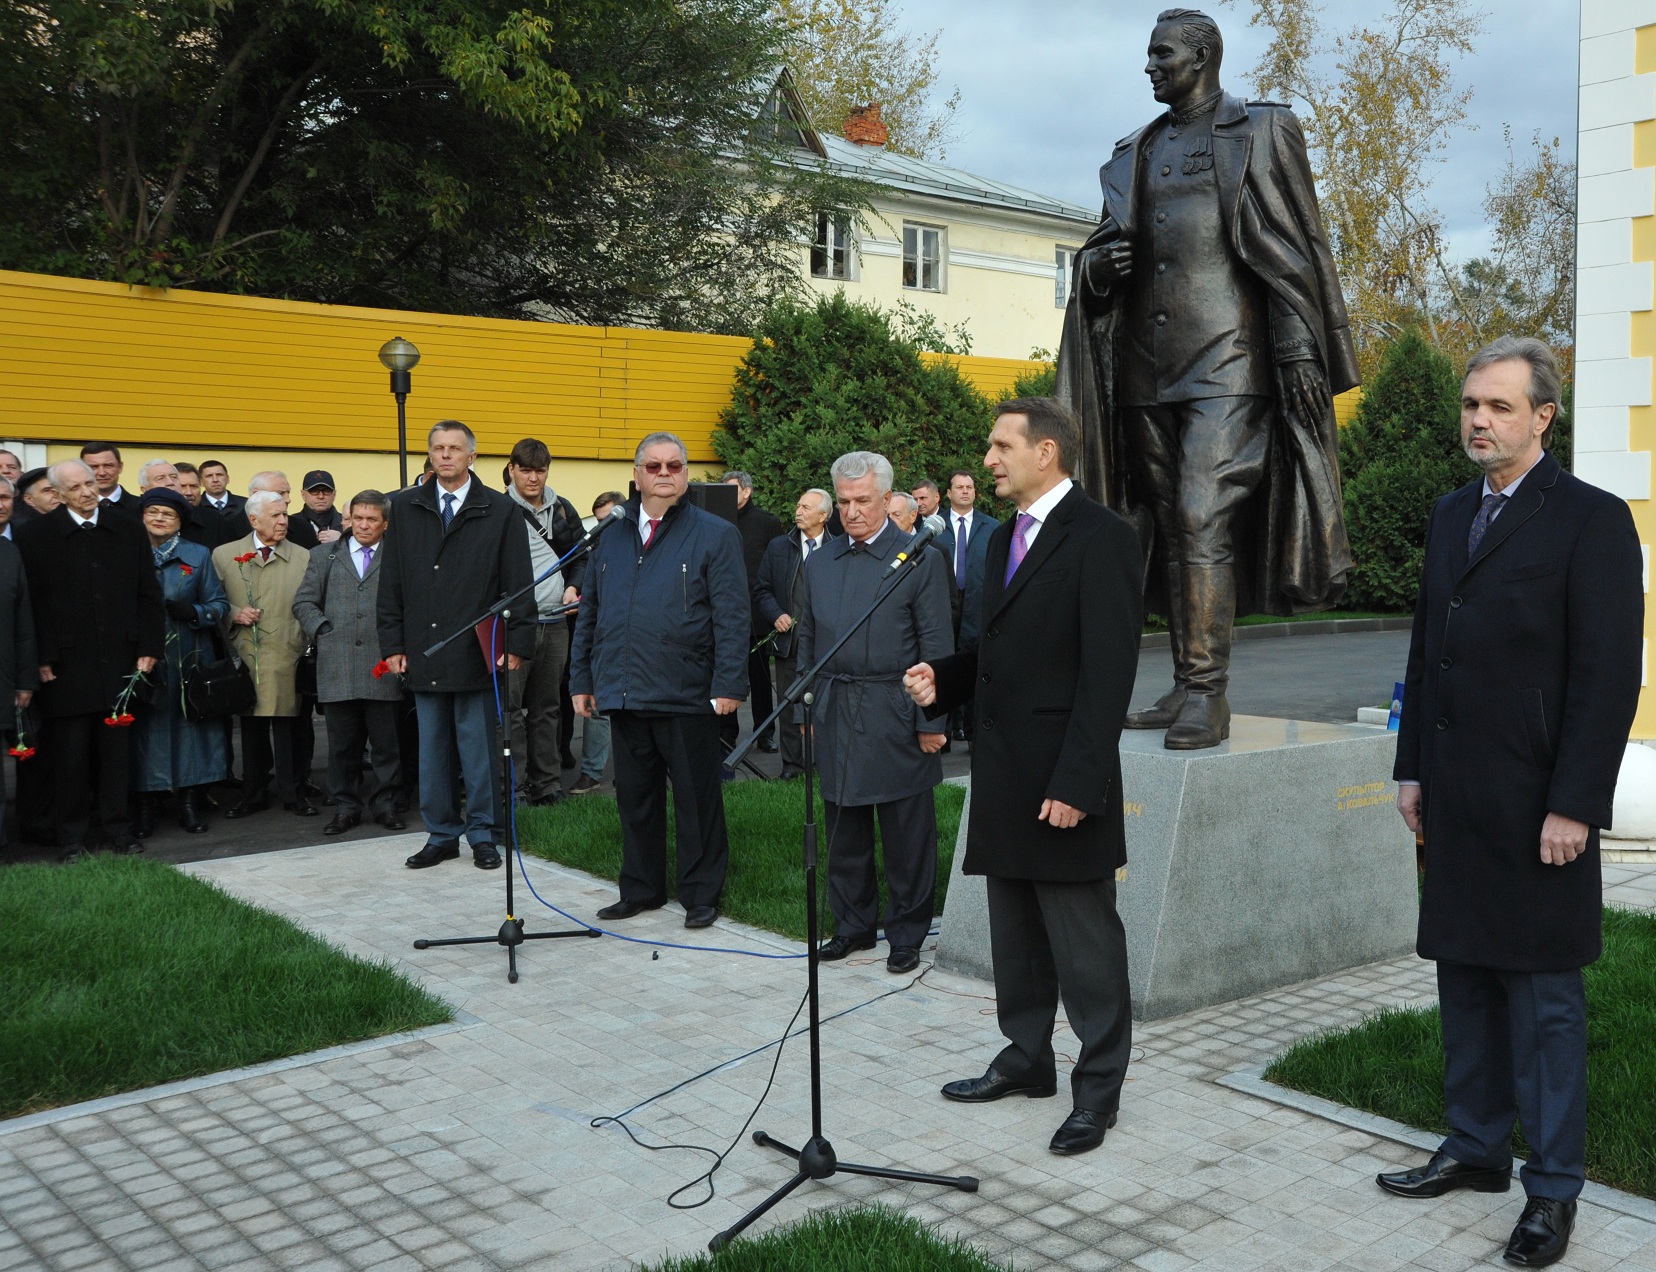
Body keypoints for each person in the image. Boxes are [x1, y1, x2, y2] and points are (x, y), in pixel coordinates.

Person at [1377, 338, 1643, 1268]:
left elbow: (1608, 679)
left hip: (1540, 810)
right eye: (1469, 404)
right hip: (1457, 800)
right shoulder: (1452, 516)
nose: (1477, 420)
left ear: (1543, 417)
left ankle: (1553, 1190)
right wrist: (1411, 769)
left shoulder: (1592, 520)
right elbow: (1425, 655)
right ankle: (1477, 1145)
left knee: (1543, 1006)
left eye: (1497, 405)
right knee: (1466, 982)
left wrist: (1575, 803)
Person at [1056, 8, 1357, 750]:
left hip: (1229, 361)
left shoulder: (1260, 128)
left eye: (1162, 54)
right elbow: (1097, 253)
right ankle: (1186, 683)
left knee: (1200, 513)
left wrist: (1296, 347)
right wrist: (1096, 269)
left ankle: (1208, 692)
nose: (1150, 67)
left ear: (1204, 55)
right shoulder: (1137, 149)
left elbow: (1297, 245)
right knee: (1160, 524)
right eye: (1148, 55)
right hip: (1142, 369)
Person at [905, 398, 1143, 1157]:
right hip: (1005, 777)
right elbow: (995, 650)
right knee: (1017, 936)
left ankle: (1097, 1090)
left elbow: (1108, 675)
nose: (989, 459)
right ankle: (1026, 1058)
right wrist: (943, 677)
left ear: (1047, 452)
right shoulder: (1003, 538)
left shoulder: (1103, 537)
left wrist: (1078, 785)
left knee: (1086, 948)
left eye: (1002, 446)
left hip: (1063, 784)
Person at [570, 433, 748, 926]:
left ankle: (700, 894)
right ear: (637, 474)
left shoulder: (714, 533)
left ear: (686, 474)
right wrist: (582, 677)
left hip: (688, 690)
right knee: (636, 799)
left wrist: (730, 683)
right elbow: (592, 612)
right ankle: (642, 889)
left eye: (674, 466)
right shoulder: (611, 534)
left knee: (696, 800)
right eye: (654, 466)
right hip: (626, 690)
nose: (664, 474)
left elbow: (733, 616)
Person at [798, 454, 953, 974]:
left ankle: (906, 934)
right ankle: (853, 926)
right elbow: (806, 639)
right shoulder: (820, 561)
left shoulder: (920, 558)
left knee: (907, 832)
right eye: (843, 502)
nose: (852, 511)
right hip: (837, 705)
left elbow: (936, 645)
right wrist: (806, 706)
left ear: (888, 500)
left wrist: (933, 722)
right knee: (843, 827)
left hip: (897, 706)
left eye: (863, 501)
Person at [378, 421, 534, 871]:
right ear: (430, 456)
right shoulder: (404, 508)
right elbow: (391, 583)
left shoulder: (500, 510)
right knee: (433, 751)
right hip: (424, 648)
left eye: (455, 449)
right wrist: (394, 643)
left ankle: (482, 833)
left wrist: (517, 642)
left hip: (476, 652)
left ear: (472, 457)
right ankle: (441, 834)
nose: (446, 456)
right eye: (438, 449)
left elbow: (518, 583)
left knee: (479, 751)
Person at [17, 460, 164, 859]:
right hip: (65, 666)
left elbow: (148, 593)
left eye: (89, 483)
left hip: (120, 659)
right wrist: (41, 657)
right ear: (58, 494)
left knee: (117, 756)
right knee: (69, 758)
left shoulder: (127, 527)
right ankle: (71, 838)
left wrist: (148, 648)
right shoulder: (35, 536)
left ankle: (119, 830)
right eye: (75, 487)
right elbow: (31, 605)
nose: (86, 492)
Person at [294, 490, 406, 836]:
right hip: (337, 665)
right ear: (348, 519)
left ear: (385, 523)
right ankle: (345, 807)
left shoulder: (400, 558)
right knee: (342, 747)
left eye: (372, 519)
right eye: (357, 518)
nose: (363, 525)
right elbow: (303, 603)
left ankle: (386, 805)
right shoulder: (323, 556)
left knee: (387, 746)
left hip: (383, 665)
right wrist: (323, 630)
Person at [130, 487, 231, 836]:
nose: (159, 518)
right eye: (152, 511)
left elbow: (220, 605)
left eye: (168, 514)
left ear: (180, 522)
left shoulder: (198, 555)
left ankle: (189, 803)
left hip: (189, 657)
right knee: (145, 730)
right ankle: (144, 806)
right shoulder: (127, 551)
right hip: (142, 659)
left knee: (192, 732)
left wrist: (194, 612)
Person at [213, 489, 315, 819]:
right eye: (275, 515)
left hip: (289, 651)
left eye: (285, 513)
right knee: (252, 729)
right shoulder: (224, 555)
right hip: (246, 653)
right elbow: (211, 600)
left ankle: (294, 792)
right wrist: (232, 613)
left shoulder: (303, 556)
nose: (283, 520)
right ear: (253, 519)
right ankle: (253, 794)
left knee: (291, 729)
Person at [503, 439, 586, 806]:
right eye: (526, 470)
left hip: (555, 622)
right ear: (512, 469)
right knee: (510, 711)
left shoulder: (564, 508)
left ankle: (548, 784)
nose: (533, 478)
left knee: (548, 708)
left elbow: (583, 556)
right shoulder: (497, 509)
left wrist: (574, 586)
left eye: (540, 470)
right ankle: (514, 786)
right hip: (514, 624)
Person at [754, 488, 835, 782]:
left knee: (823, 704)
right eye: (798, 505)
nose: (798, 511)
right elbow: (761, 589)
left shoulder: (837, 549)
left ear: (824, 516)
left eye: (806, 507)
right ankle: (792, 764)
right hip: (789, 642)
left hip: (824, 645)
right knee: (789, 705)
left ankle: (821, 761)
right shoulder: (779, 547)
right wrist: (775, 613)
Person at [722, 471, 784, 756]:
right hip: (723, 617)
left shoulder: (767, 523)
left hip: (757, 617)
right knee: (725, 678)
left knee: (760, 681)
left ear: (746, 491)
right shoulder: (717, 521)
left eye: (731, 490)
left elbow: (777, 567)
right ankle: (726, 734)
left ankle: (765, 732)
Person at [568, 491, 625, 795]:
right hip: (603, 643)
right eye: (599, 523)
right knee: (597, 708)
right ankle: (591, 771)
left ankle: (633, 772)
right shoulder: (595, 554)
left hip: (636, 645)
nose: (604, 529)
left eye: (610, 521)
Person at [935, 471, 999, 742]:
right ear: (948, 493)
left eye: (969, 487)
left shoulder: (991, 527)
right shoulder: (935, 528)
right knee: (945, 661)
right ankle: (945, 733)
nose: (965, 491)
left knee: (974, 663)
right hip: (943, 603)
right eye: (959, 487)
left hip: (977, 604)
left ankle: (974, 734)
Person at [0, 479, 36, 850]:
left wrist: (25, 681)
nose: (0, 504)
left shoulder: (10, 553)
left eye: (4, 497)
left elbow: (24, 624)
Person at [137, 459, 232, 550]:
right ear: (144, 489)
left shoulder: (213, 520)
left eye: (174, 477)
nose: (170, 483)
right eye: (161, 478)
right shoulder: (132, 517)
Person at [81, 441, 138, 519]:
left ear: (120, 467)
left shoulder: (141, 507)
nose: (102, 473)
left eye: (108, 466)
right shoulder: (73, 509)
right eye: (94, 467)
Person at [294, 471, 345, 544]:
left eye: (326, 491)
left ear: (334, 494)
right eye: (314, 491)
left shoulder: (348, 524)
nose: (321, 496)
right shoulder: (290, 525)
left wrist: (342, 540)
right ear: (303, 494)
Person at [14, 467, 56, 533]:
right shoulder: (22, 528)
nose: (56, 494)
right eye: (47, 491)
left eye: (58, 488)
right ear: (29, 499)